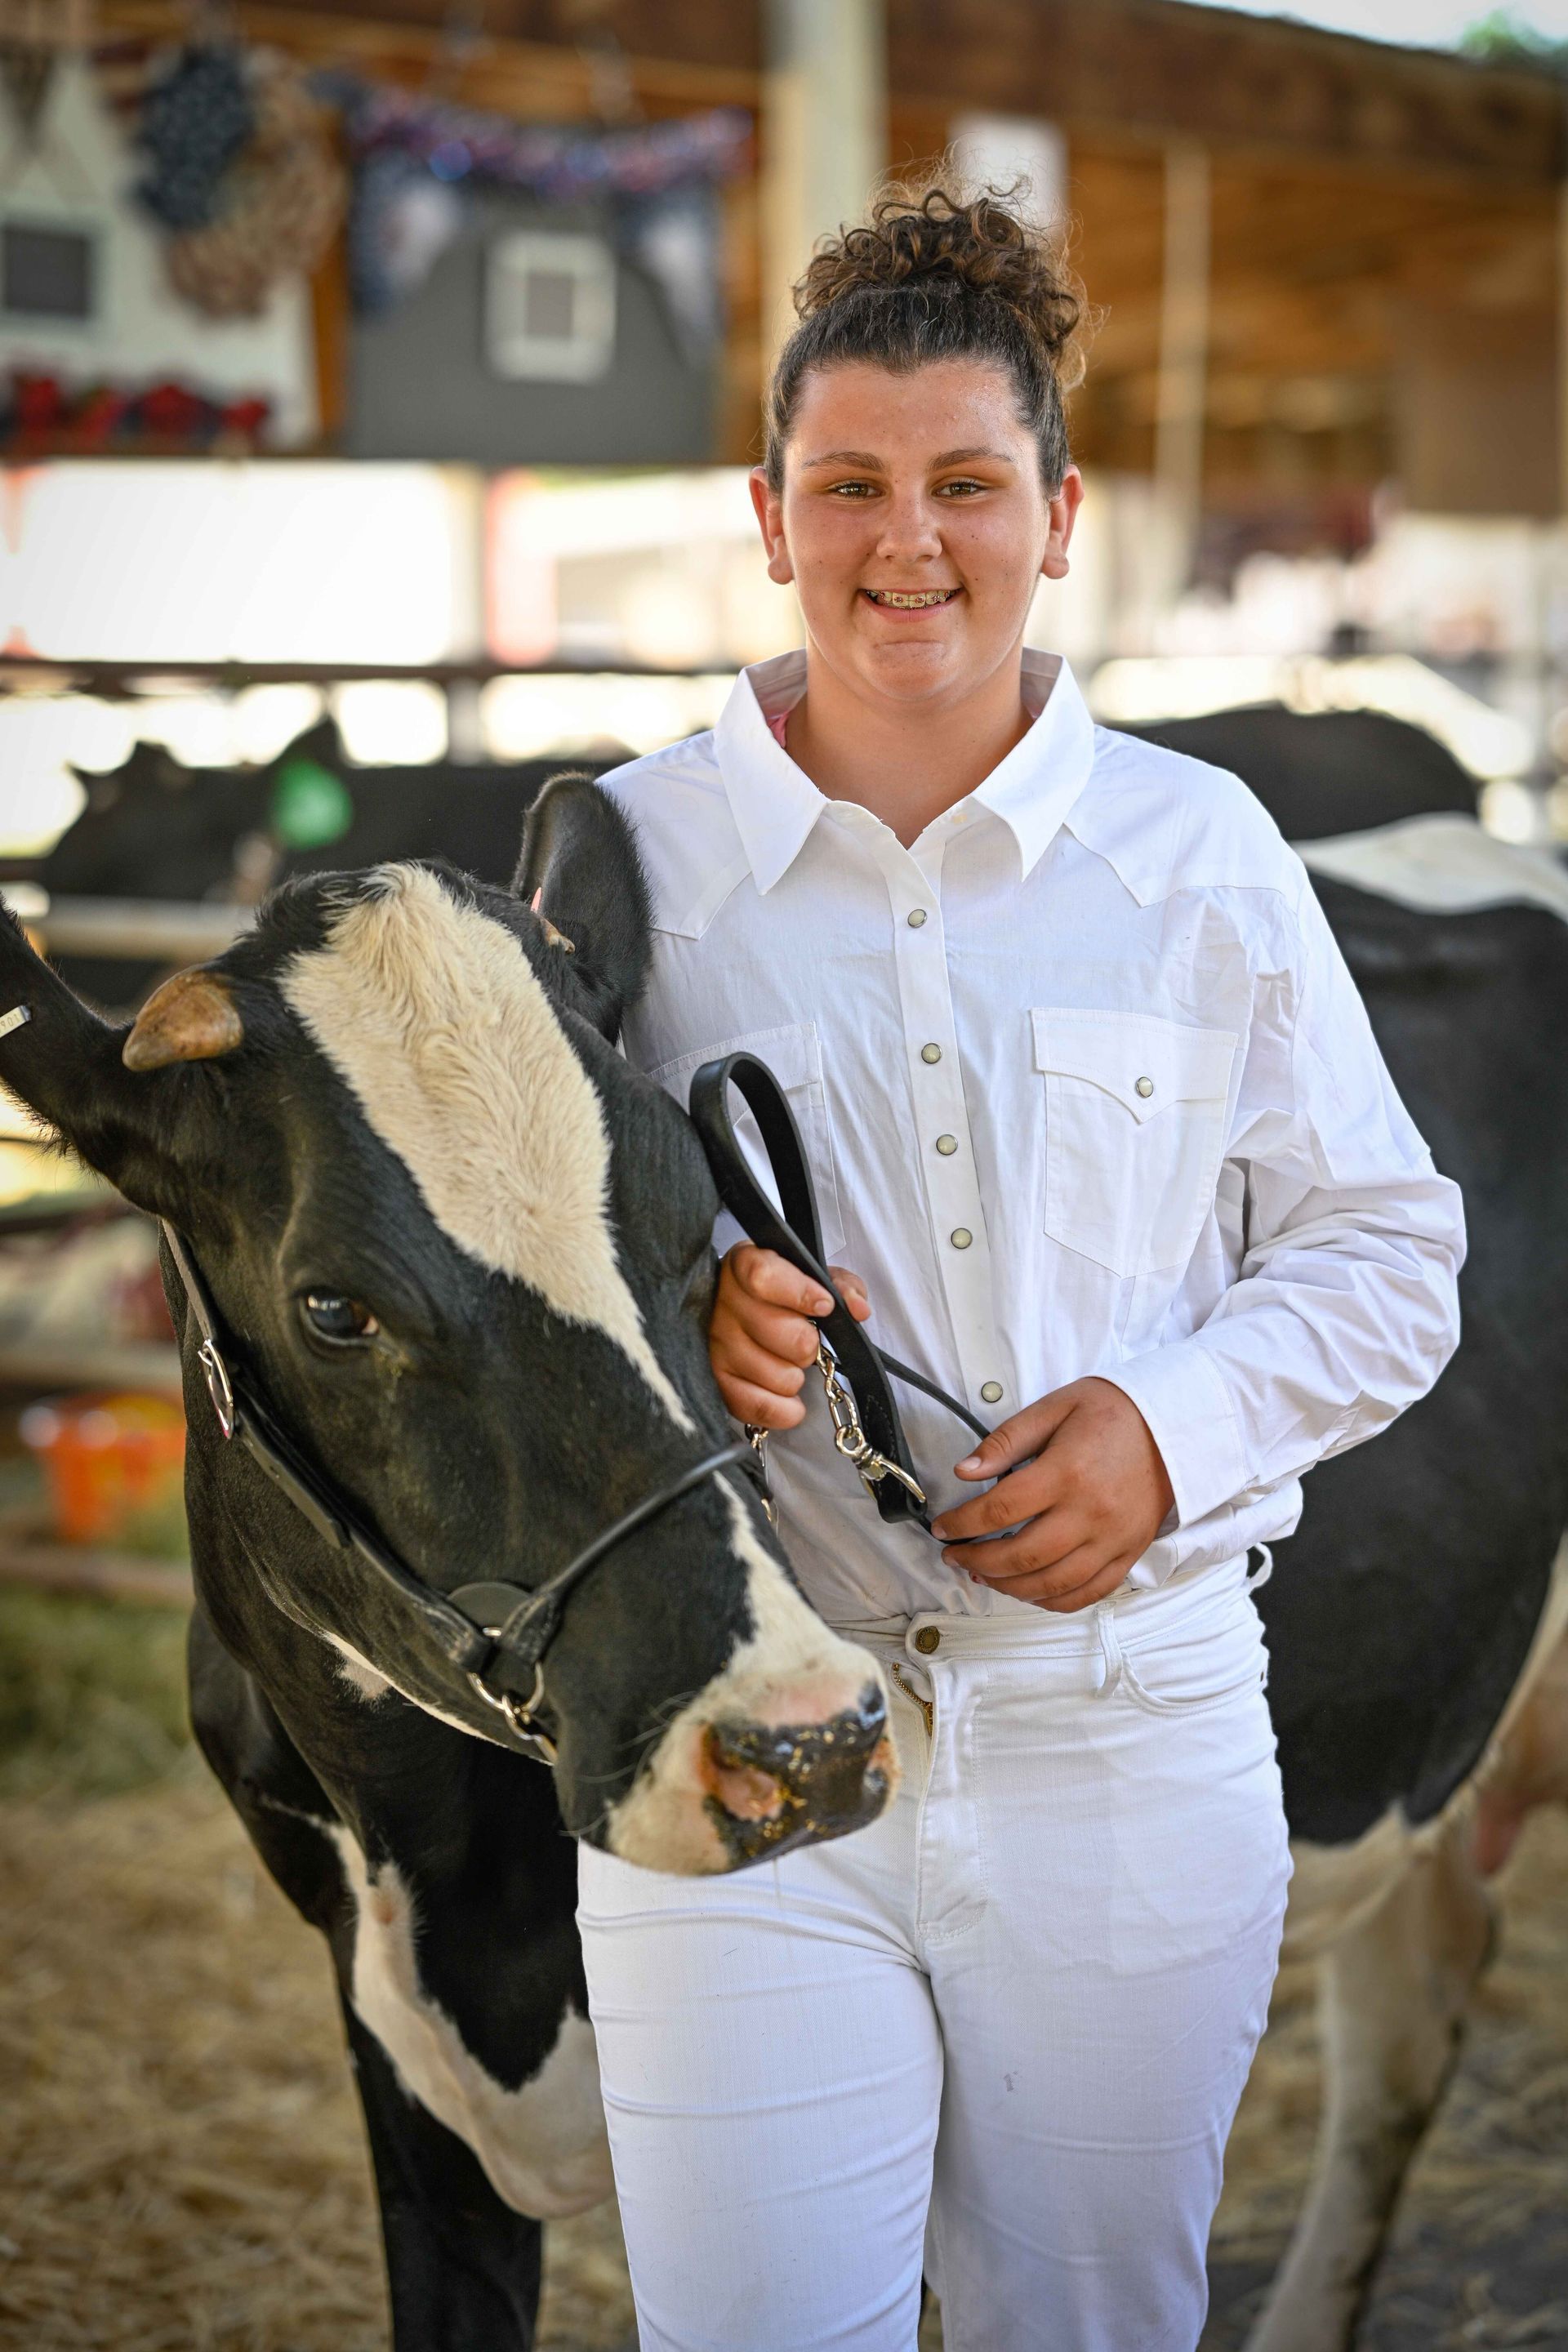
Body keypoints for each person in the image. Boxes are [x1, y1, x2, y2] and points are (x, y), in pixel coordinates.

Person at [579, 179, 1464, 2352]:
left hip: (1127, 1742)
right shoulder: (621, 860)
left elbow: (1389, 1250)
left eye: (967, 483)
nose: (909, 544)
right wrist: (675, 1309)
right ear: (762, 509)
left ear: (1058, 511)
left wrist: (1176, 1431)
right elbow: (524, 1286)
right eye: (850, 486)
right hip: (758, 1735)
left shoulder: (1199, 857)